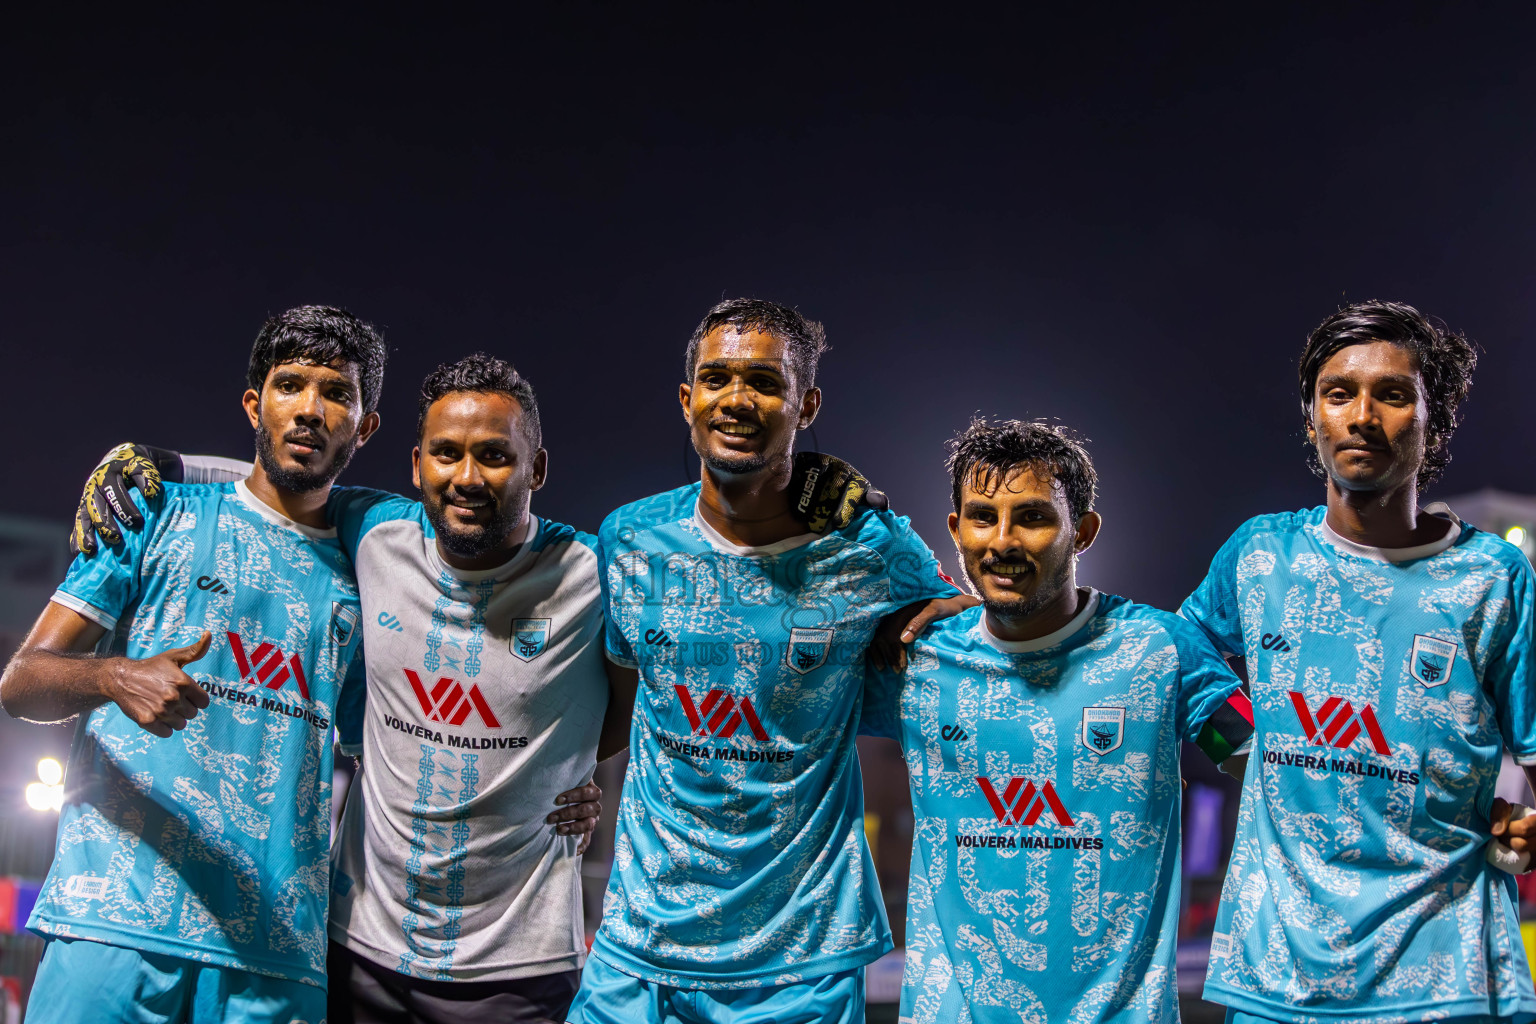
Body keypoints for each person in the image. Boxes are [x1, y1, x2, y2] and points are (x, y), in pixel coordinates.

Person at [71, 353, 612, 1023]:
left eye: (496, 456)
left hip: (518, 969)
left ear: (538, 468)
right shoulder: (377, 532)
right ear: (416, 466)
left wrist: (577, 758)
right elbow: (281, 481)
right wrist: (155, 461)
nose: (467, 477)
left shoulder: (598, 568)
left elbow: (664, 676)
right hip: (358, 949)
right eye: (446, 454)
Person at [566, 298, 973, 1024]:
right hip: (640, 943)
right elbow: (623, 707)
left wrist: (905, 556)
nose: (737, 399)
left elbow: (970, 633)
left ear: (806, 404)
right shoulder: (629, 539)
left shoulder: (865, 549)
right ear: (687, 400)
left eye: (764, 381)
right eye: (717, 378)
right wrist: (552, 782)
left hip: (801, 959)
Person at [0, 305, 385, 1024]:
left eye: (337, 392)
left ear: (364, 427)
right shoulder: (153, 511)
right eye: (289, 385)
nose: (309, 409)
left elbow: (387, 753)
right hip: (110, 923)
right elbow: (22, 682)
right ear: (253, 405)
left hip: (275, 953)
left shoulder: (370, 574)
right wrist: (113, 677)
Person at [1181, 300, 1536, 1023]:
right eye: (1339, 393)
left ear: (1433, 420)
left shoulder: (1494, 579)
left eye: (1393, 394)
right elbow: (1170, 661)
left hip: (1447, 979)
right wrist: (1241, 743)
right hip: (1278, 981)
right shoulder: (1259, 556)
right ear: (1313, 415)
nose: (1362, 415)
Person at [860, 418, 1255, 1022]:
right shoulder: (917, 656)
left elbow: (1272, 766)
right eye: (982, 516)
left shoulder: (1164, 649)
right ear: (955, 531)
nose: (1003, 541)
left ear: (1085, 531)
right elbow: (777, 711)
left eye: (1034, 517)